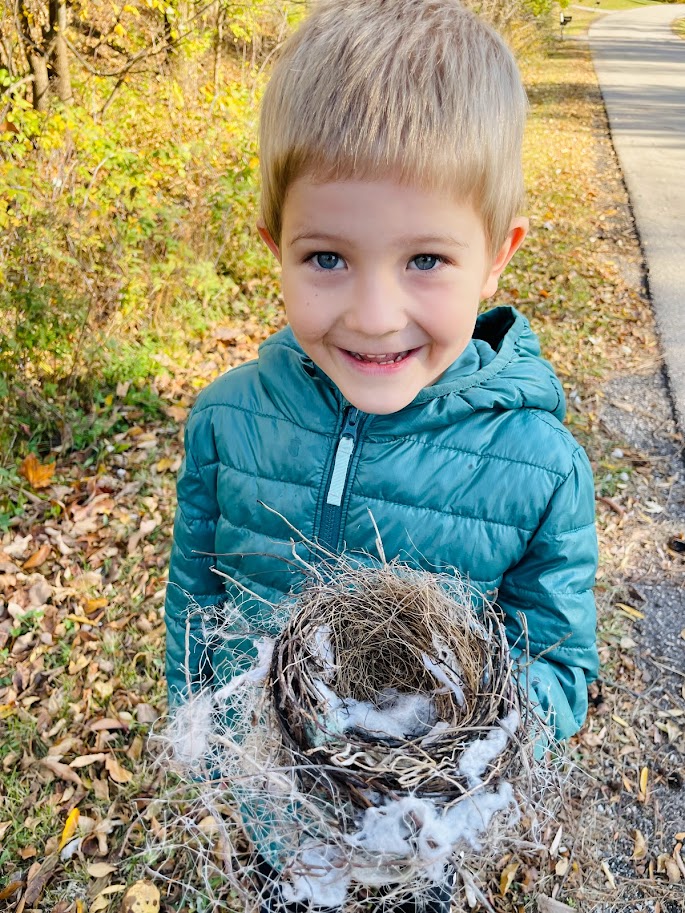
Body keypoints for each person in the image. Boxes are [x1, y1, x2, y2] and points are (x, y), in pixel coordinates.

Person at [164, 0, 598, 909]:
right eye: (326, 258)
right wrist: (204, 737)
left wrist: (470, 758)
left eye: (425, 260)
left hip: (428, 830)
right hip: (278, 813)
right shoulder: (226, 422)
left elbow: (558, 659)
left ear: (495, 258)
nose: (371, 314)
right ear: (274, 248)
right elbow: (195, 598)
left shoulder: (537, 466)